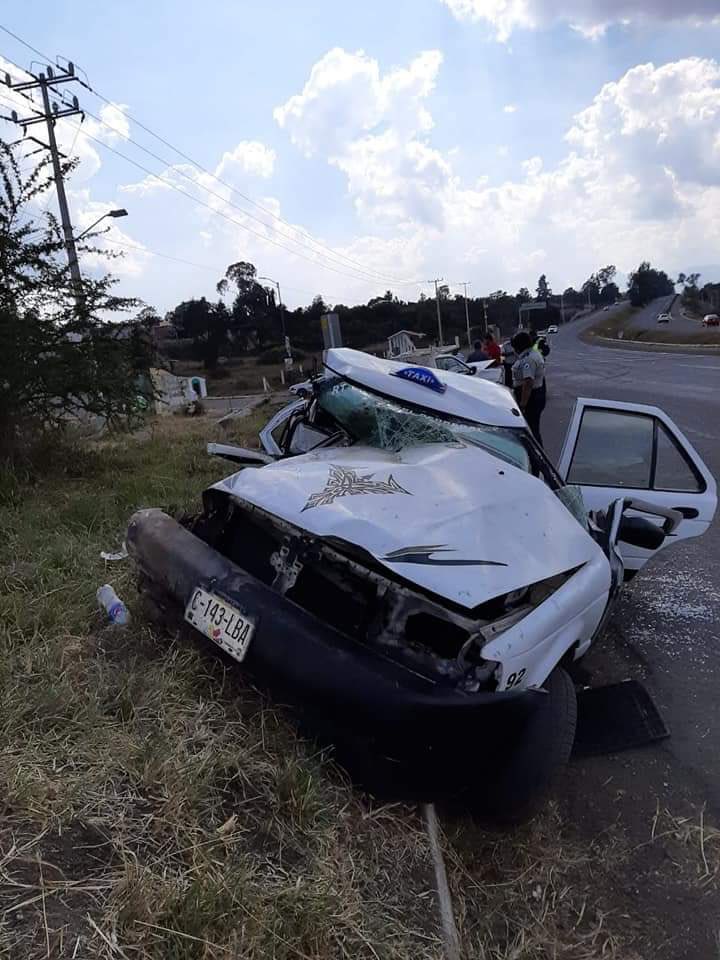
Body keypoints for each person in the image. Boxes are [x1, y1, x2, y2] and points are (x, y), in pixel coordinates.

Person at [511, 331, 546, 445]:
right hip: (536, 394)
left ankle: (537, 456)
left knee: (531, 430)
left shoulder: (528, 360)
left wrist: (523, 404)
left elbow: (528, 382)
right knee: (533, 428)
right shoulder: (533, 354)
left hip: (531, 398)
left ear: (519, 346)